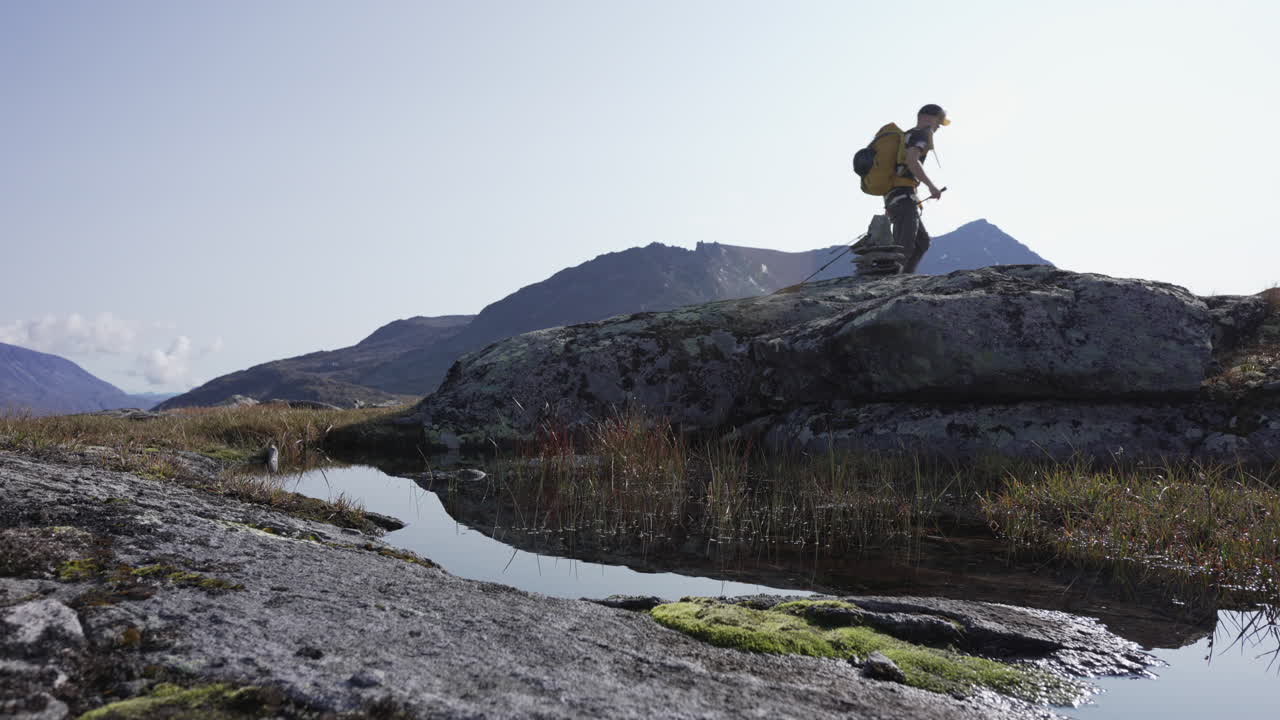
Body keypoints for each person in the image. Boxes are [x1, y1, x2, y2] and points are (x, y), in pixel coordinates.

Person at [885, 104, 949, 274]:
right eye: (939, 122)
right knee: (904, 244)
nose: (938, 128)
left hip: (896, 195)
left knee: (921, 242)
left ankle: (904, 278)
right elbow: (912, 161)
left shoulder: (907, 135)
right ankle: (891, 282)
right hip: (902, 196)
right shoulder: (921, 134)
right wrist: (931, 186)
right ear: (928, 117)